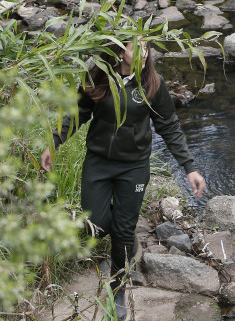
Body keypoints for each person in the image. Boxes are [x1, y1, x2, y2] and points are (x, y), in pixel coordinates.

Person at [41, 39, 205, 320]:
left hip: (134, 167)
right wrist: (55, 141)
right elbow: (78, 113)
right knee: (96, 226)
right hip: (99, 164)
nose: (143, 53)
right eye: (135, 47)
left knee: (122, 229)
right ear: (119, 51)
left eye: (146, 47)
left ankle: (118, 288)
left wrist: (189, 166)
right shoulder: (98, 77)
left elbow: (169, 125)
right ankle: (126, 237)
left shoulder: (154, 84)